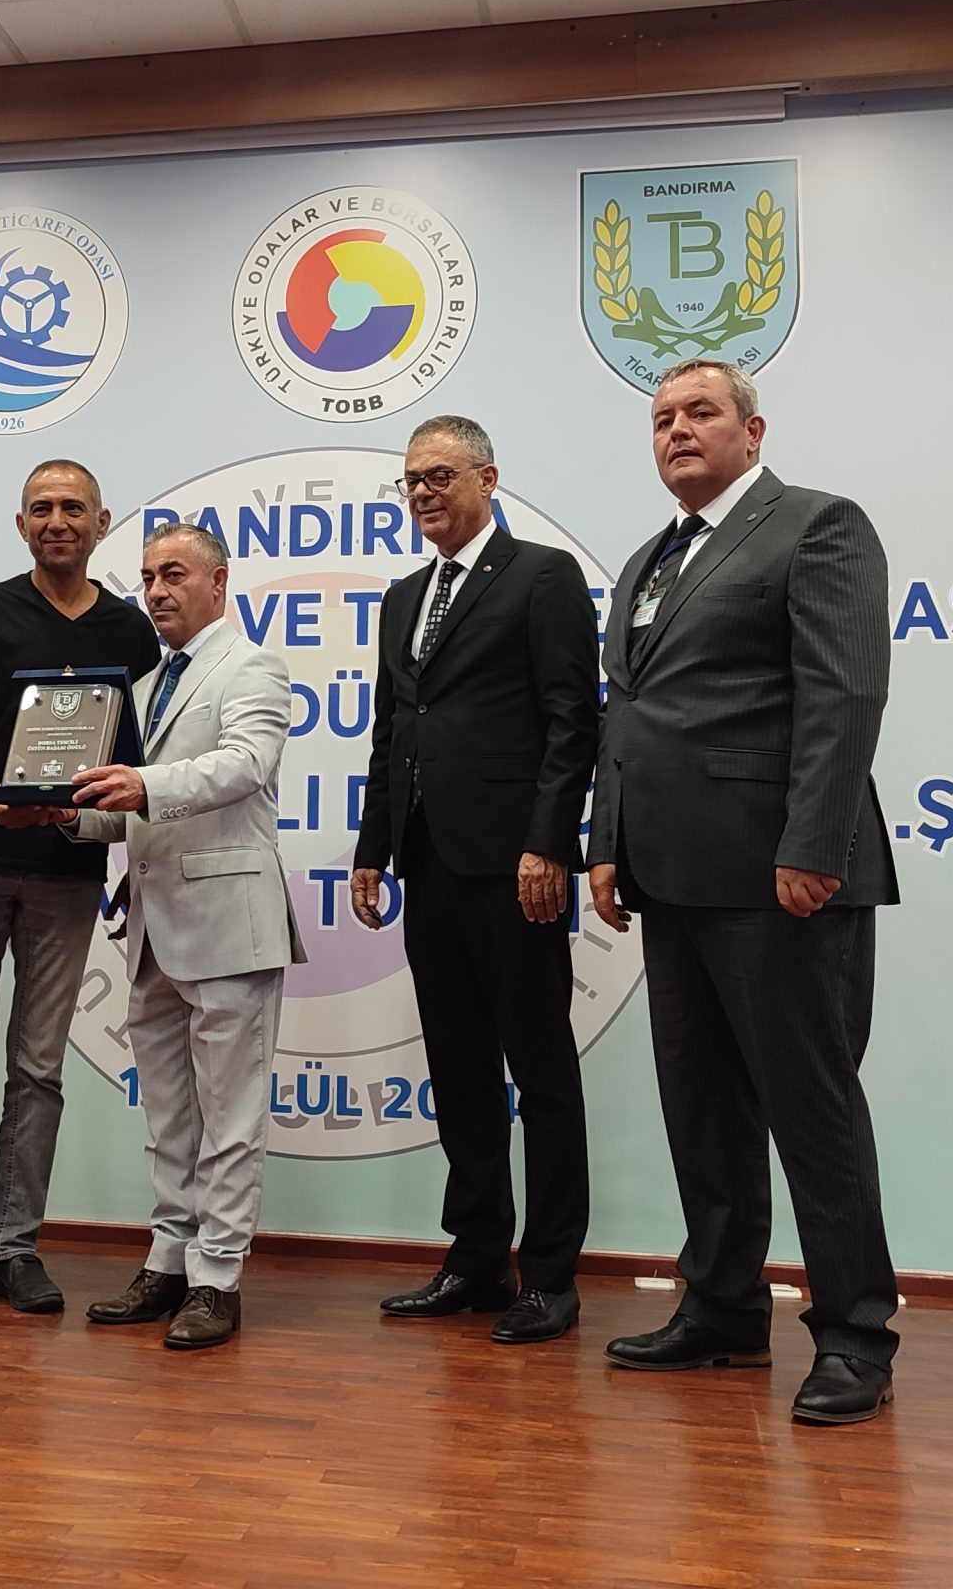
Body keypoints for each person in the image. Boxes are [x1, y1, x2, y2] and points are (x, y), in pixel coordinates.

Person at [587, 359, 902, 1426]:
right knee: (703, 1108)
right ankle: (721, 1307)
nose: (677, 430)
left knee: (811, 1111)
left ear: (753, 432)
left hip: (782, 876)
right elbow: (626, 712)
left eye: (700, 413)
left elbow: (843, 695)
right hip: (669, 874)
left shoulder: (817, 526)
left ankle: (855, 1334)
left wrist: (813, 844)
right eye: (662, 418)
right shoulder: (650, 559)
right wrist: (605, 842)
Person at [351, 414, 599, 1346]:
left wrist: (550, 843)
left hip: (516, 866)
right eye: (412, 479)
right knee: (459, 1072)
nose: (422, 492)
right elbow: (393, 731)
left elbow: (573, 720)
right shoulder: (403, 596)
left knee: (541, 1074)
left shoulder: (541, 575)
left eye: (440, 476)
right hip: (429, 862)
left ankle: (553, 1276)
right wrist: (373, 847)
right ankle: (477, 1257)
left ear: (487, 480)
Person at [0, 461, 161, 1322]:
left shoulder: (131, 630)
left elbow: (143, 755)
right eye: (41, 508)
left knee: (39, 1068)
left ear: (101, 522)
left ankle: (16, 1249)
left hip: (68, 868)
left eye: (73, 509)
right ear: (21, 525)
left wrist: (89, 817)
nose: (57, 521)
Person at [63, 522, 300, 1350]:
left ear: (218, 582)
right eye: (148, 578)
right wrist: (68, 813)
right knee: (168, 1117)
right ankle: (168, 1260)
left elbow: (245, 765)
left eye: (174, 575)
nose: (157, 592)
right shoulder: (144, 686)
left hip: (229, 922)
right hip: (153, 927)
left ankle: (218, 1278)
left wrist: (139, 784)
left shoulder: (253, 666)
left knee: (230, 1116)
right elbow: (127, 809)